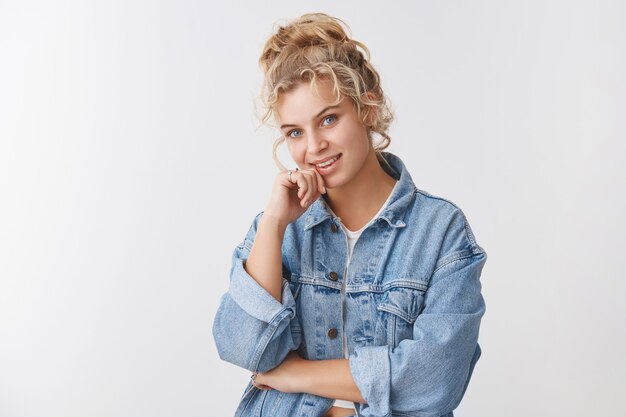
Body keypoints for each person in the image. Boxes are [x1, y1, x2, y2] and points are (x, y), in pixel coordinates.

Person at [212, 12, 487, 417]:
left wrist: (296, 374)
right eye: (294, 132)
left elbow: (432, 382)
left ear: (368, 108)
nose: (314, 146)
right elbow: (243, 347)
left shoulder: (440, 232)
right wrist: (272, 224)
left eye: (328, 119)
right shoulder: (280, 228)